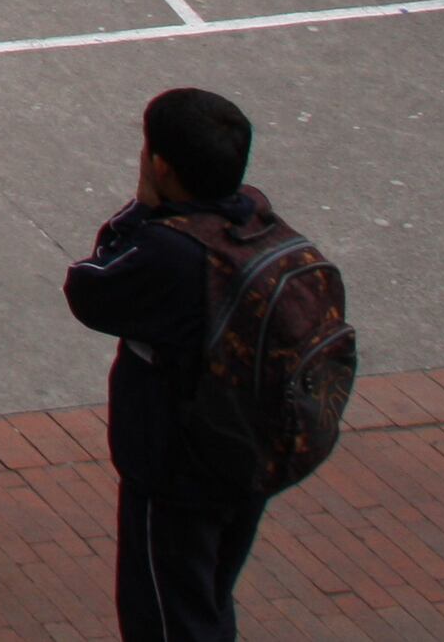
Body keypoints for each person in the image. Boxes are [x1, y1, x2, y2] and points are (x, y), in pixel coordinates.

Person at [62, 87, 310, 642]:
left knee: (167, 617)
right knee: (207, 597)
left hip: (177, 470)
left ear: (162, 166)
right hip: (246, 455)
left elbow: (91, 286)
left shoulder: (170, 254)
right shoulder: (254, 220)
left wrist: (144, 207)